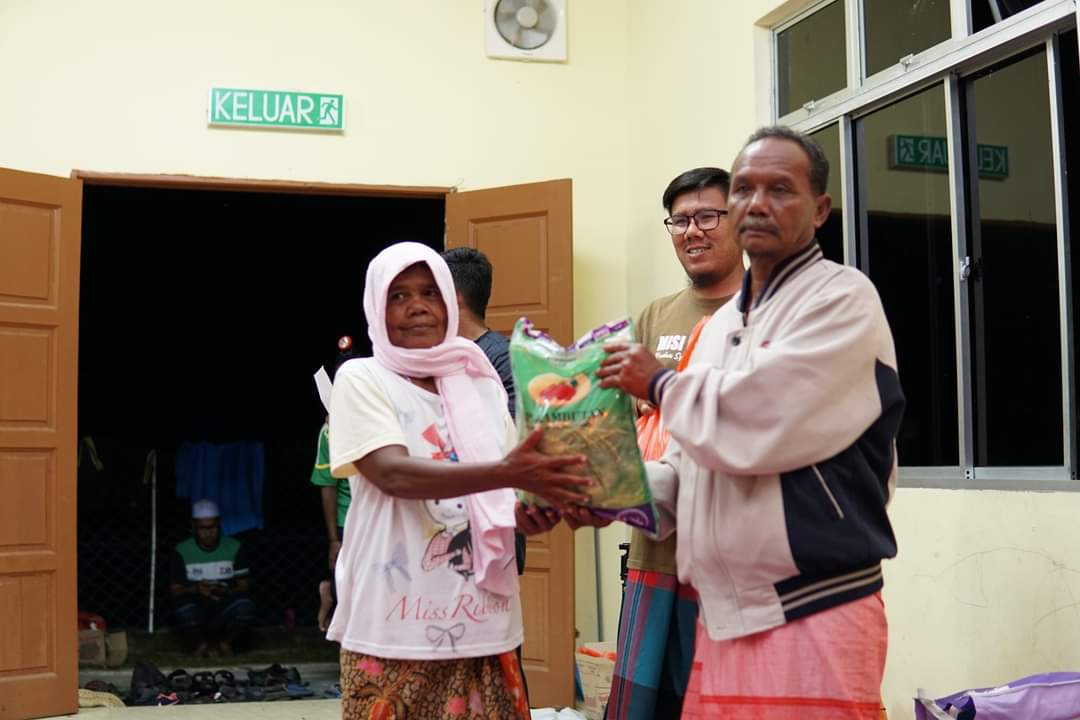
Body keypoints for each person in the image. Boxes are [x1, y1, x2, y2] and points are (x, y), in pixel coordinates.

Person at [598, 126, 904, 719]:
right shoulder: (718, 327)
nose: (757, 203)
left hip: (816, 606)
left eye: (780, 189)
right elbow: (686, 470)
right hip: (725, 615)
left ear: (820, 209)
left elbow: (761, 422)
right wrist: (598, 491)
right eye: (743, 189)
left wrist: (657, 383)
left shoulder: (841, 299)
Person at [326, 242, 590, 719]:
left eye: (430, 292)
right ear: (376, 307)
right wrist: (508, 473)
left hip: (482, 617)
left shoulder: (481, 382)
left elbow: (504, 498)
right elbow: (391, 472)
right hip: (393, 622)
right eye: (399, 296)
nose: (417, 306)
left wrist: (533, 512)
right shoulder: (363, 378)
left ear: (451, 302)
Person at [606, 167, 744, 720]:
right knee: (647, 702)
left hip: (731, 558)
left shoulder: (765, 312)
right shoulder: (654, 316)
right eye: (680, 221)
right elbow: (616, 414)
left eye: (708, 216)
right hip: (654, 550)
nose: (693, 231)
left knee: (720, 700)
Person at [168, 498, 255, 657]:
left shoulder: (234, 547)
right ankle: (201, 644)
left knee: (246, 606)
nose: (208, 533)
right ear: (194, 526)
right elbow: (175, 590)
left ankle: (225, 643)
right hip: (196, 606)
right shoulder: (182, 550)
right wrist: (196, 589)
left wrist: (226, 591)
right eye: (203, 528)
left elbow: (244, 585)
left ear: (219, 524)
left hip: (225, 605)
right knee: (184, 610)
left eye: (213, 527)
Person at [440, 247, 515, 416]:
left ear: (453, 296)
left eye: (431, 292)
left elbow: (515, 427)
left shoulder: (505, 359)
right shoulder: (433, 356)